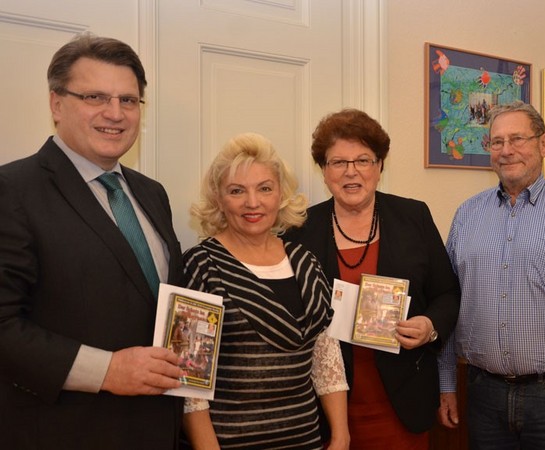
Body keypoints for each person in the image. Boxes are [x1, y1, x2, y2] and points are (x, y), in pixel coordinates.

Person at [0, 33, 185, 449]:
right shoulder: (11, 191)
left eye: (128, 100)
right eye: (95, 97)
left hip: (156, 428)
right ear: (56, 103)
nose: (114, 114)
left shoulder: (152, 193)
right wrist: (107, 371)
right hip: (65, 432)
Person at [438, 100, 545, 449]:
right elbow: (447, 302)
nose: (507, 151)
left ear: (543, 144)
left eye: (518, 139)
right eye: (497, 142)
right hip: (483, 393)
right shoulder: (467, 215)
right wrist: (446, 383)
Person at [284, 108, 460, 449]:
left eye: (363, 160)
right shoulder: (299, 230)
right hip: (324, 409)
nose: (352, 172)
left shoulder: (414, 217)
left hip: (403, 404)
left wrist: (429, 325)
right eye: (338, 162)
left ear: (379, 166)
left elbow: (448, 294)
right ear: (323, 170)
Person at [181, 132, 349, 450]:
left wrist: (341, 436)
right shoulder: (199, 266)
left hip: (306, 440)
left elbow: (326, 358)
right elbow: (188, 381)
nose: (253, 202)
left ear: (280, 194)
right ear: (218, 198)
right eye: (236, 191)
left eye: (265, 188)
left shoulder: (305, 261)